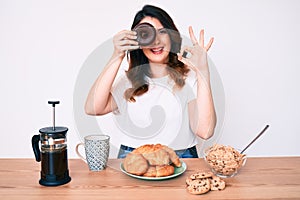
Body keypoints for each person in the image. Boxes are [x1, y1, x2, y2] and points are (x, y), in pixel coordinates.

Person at [85, 5, 216, 158]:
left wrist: (203, 71)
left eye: (162, 32)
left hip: (181, 158)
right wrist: (117, 55)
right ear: (138, 41)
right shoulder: (129, 81)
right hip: (133, 157)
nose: (156, 41)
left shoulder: (190, 78)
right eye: (147, 34)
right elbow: (92, 108)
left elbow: (205, 131)